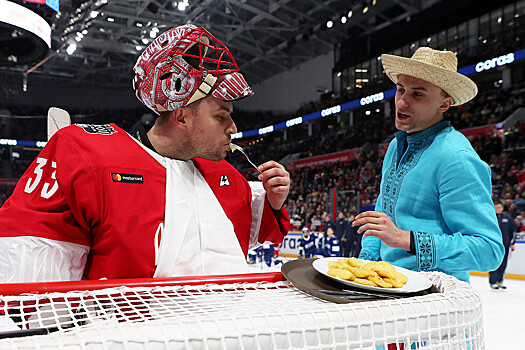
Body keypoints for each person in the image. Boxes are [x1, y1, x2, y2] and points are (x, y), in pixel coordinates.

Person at [0, 24, 290, 282]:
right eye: (221, 116)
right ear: (181, 117)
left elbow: (248, 234)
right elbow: (33, 292)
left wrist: (273, 203)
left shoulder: (226, 175)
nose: (233, 128)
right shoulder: (85, 155)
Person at [353, 47, 504, 283]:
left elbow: (489, 250)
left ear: (444, 104)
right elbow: (383, 217)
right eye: (400, 90)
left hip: (437, 300)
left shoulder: (456, 157)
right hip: (389, 285)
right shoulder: (395, 146)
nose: (402, 101)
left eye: (418, 94)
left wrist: (407, 239)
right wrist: (365, 264)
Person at [489, 203, 516, 289]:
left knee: (503, 263)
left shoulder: (508, 218)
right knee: (494, 263)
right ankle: (493, 281)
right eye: (496, 207)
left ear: (502, 208)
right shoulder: (490, 218)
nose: (497, 209)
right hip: (493, 245)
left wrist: (512, 243)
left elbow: (513, 231)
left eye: (499, 207)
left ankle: (500, 281)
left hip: (505, 245)